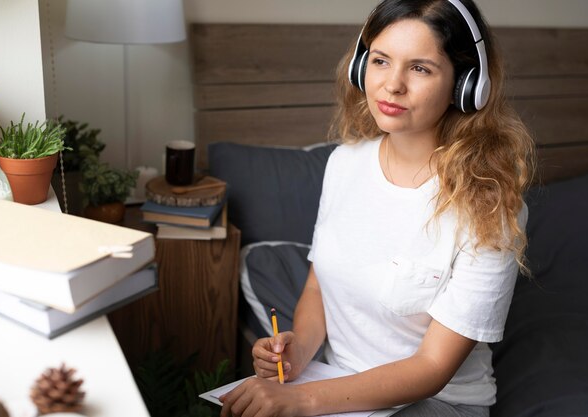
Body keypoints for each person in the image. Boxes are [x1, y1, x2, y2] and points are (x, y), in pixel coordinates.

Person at [220, 0, 535, 416]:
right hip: (337, 384)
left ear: (465, 85)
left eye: (420, 68)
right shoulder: (344, 163)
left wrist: (301, 400)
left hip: (435, 402)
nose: (392, 85)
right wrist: (297, 351)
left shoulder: (490, 205)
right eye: (382, 61)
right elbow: (318, 287)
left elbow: (433, 367)